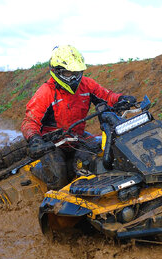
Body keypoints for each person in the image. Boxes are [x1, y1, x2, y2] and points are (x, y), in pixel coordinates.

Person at [21, 45, 136, 189]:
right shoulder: (46, 92)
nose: (74, 78)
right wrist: (35, 140)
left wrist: (121, 99)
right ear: (57, 71)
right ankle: (49, 192)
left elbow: (107, 96)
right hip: (52, 143)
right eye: (69, 73)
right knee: (58, 177)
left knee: (105, 155)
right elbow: (30, 121)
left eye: (77, 72)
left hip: (77, 136)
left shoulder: (86, 84)